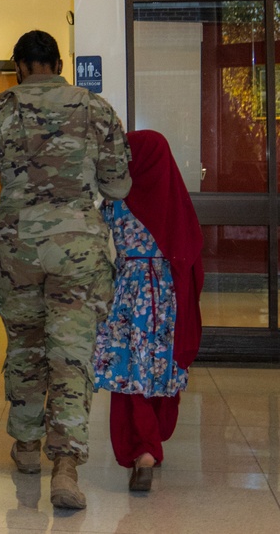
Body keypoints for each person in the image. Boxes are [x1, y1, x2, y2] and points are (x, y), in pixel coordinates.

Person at [0, 29, 131, 510]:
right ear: (58, 62)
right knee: (71, 356)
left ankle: (28, 447)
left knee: (26, 344)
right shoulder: (97, 109)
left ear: (20, 66)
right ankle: (67, 469)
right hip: (79, 249)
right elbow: (117, 186)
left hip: (17, 250)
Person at [93, 130, 204, 492]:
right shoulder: (173, 198)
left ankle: (142, 448)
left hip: (127, 293)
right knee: (160, 367)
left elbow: (95, 240)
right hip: (168, 295)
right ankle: (150, 447)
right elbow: (192, 253)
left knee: (130, 370)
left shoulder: (116, 200)